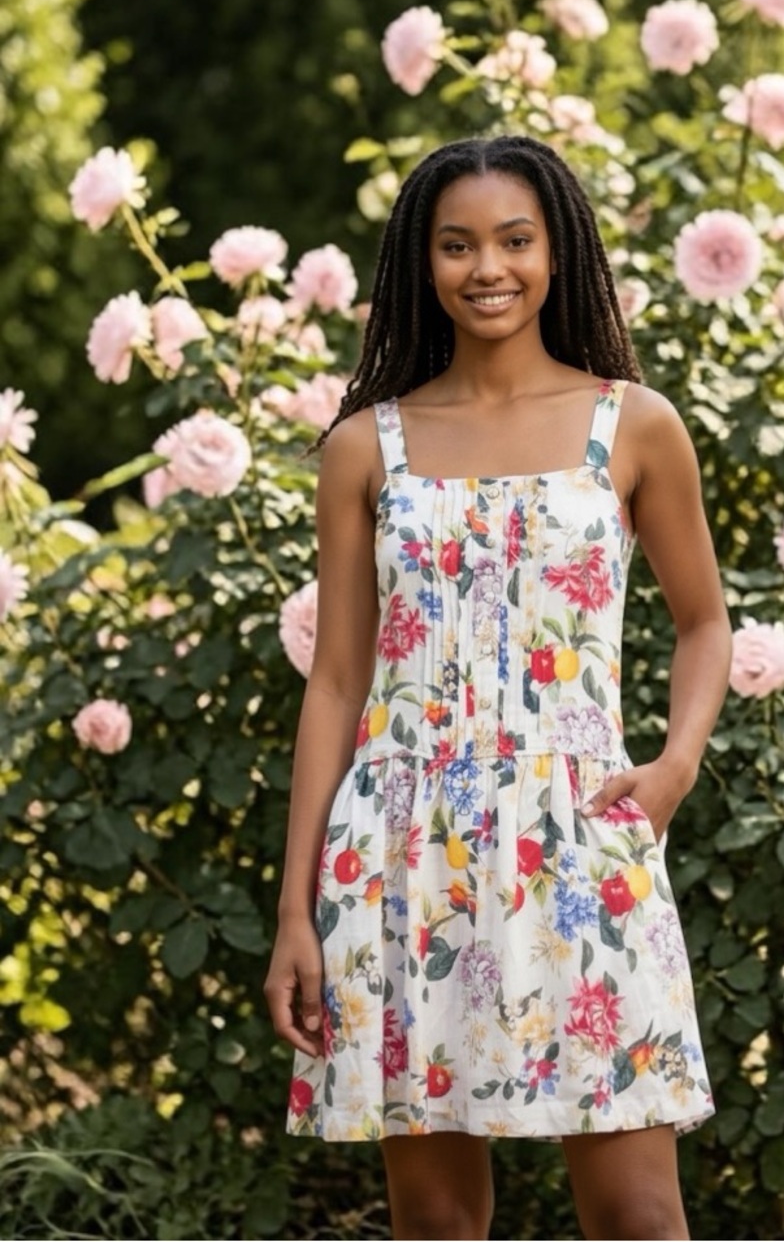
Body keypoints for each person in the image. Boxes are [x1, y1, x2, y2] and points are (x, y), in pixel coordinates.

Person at [264, 134, 732, 1241]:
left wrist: (672, 768)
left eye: (515, 240)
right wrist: (295, 911)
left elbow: (705, 620)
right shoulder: (364, 448)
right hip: (399, 852)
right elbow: (334, 682)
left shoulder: (635, 422)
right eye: (457, 244)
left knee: (638, 1213)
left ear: (556, 251)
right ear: (419, 264)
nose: (489, 268)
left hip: (582, 840)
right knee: (435, 1224)